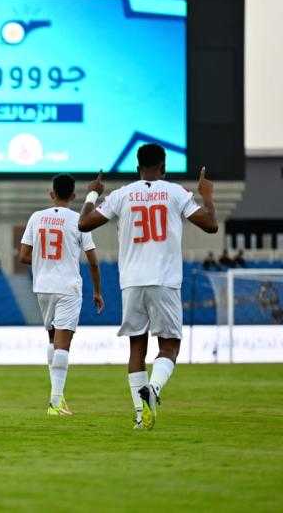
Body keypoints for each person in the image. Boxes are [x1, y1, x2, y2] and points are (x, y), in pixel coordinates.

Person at [78, 144, 218, 429]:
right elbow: (211, 225)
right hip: (164, 280)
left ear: (137, 167)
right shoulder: (176, 192)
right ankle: (153, 388)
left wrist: (94, 192)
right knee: (169, 347)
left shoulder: (121, 195)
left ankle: (141, 417)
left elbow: (83, 223)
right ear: (163, 166)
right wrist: (207, 196)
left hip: (131, 282)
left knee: (136, 349)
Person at [20, 174, 104, 416]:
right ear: (74, 196)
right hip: (67, 287)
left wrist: (44, 261)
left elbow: (24, 256)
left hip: (43, 287)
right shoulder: (79, 220)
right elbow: (93, 261)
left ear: (51, 194)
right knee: (63, 345)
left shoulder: (36, 218)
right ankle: (55, 402)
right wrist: (97, 291)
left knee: (52, 340)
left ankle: (58, 397)